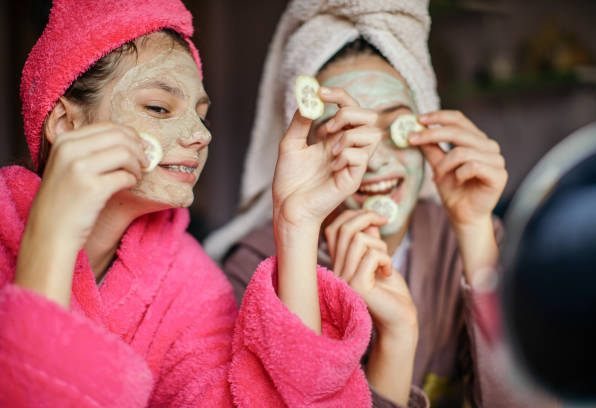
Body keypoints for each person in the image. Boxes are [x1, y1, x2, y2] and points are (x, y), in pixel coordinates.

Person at [0, 0, 384, 406]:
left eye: (201, 115)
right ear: (65, 123)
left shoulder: (186, 281)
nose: (201, 135)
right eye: (158, 107)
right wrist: (50, 240)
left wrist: (297, 224)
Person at [204, 1, 554, 407]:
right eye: (347, 134)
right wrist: (394, 340)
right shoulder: (255, 269)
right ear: (306, 150)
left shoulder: (464, 238)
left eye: (396, 126)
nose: (377, 160)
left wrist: (474, 227)